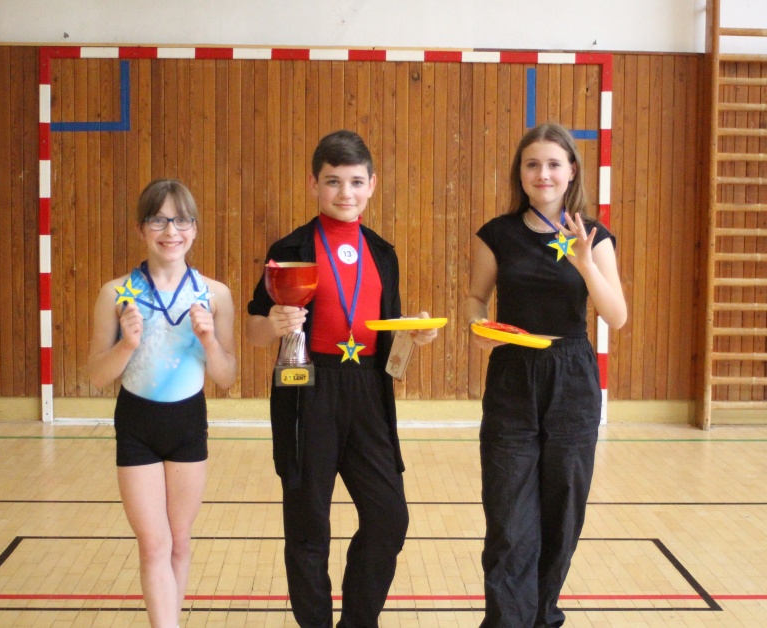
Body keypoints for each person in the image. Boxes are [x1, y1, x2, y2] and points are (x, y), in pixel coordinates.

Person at [246, 130, 438, 627]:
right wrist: (272, 324)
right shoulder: (289, 249)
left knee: (389, 518)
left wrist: (415, 335)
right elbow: (253, 331)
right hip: (307, 389)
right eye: (333, 181)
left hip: (369, 392)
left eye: (355, 181)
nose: (344, 193)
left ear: (372, 184)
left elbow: (387, 330)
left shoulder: (383, 252)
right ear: (314, 183)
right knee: (309, 525)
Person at [464, 123, 627, 627]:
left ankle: (542, 616)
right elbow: (475, 298)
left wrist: (585, 264)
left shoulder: (594, 237)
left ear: (571, 171)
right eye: (532, 164)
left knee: (563, 515)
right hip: (513, 375)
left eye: (554, 164)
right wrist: (478, 327)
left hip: (572, 379)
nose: (543, 174)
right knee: (509, 520)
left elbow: (617, 316)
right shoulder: (497, 234)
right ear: (520, 172)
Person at [87, 178, 237, 628]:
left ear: (195, 228)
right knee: (153, 544)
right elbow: (97, 376)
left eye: (182, 220)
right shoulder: (116, 293)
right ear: (141, 228)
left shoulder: (215, 294)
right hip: (137, 425)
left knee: (179, 542)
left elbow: (226, 377)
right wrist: (126, 345)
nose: (171, 231)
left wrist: (209, 341)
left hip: (188, 423)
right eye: (159, 220)